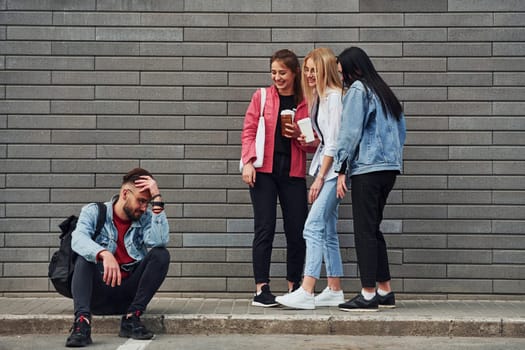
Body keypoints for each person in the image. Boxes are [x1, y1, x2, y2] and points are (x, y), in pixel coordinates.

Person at [241, 49, 315, 307]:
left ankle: (295, 287)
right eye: (273, 72)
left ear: (295, 73)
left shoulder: (306, 101)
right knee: (265, 228)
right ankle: (261, 289)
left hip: (293, 174)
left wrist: (298, 135)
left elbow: (313, 143)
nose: (277, 77)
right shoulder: (261, 97)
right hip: (264, 173)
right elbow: (249, 131)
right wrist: (248, 162)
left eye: (282, 72)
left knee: (297, 231)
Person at [334, 47, 406, 312]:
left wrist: (341, 168)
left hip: (367, 169)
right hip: (389, 170)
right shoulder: (384, 92)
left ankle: (367, 294)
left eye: (343, 73)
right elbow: (401, 132)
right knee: (373, 229)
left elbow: (350, 132)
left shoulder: (358, 91)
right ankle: (385, 291)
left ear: (355, 69)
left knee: (364, 231)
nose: (343, 79)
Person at [65, 167, 170, 347]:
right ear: (125, 193)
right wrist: (104, 253)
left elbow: (159, 241)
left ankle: (132, 318)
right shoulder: (94, 212)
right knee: (84, 257)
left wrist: (157, 198)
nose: (145, 207)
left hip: (129, 295)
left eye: (148, 202)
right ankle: (82, 323)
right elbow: (78, 239)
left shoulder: (145, 218)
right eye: (141, 201)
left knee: (161, 255)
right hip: (98, 294)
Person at [275, 47, 345, 310]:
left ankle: (306, 290)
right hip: (325, 169)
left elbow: (335, 143)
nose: (308, 74)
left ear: (326, 69)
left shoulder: (334, 97)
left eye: (313, 69)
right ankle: (335, 289)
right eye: (307, 69)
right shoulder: (321, 98)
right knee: (326, 230)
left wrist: (319, 179)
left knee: (312, 226)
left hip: (330, 172)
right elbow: (325, 139)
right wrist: (309, 139)